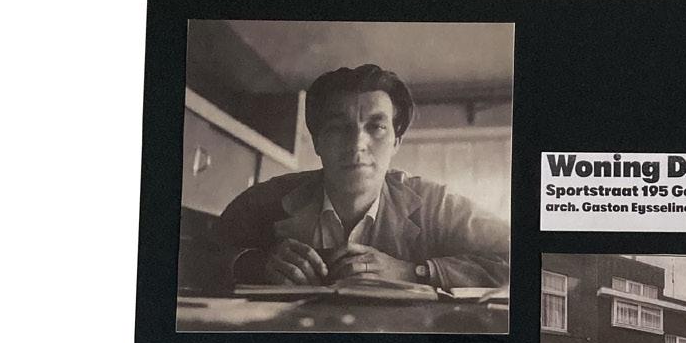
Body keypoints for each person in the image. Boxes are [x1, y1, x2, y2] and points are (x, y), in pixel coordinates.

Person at [215, 63, 508, 290]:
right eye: (338, 128)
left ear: (396, 142)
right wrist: (255, 265)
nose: (357, 144)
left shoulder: (436, 205)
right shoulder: (265, 200)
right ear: (317, 142)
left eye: (376, 127)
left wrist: (414, 271)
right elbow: (197, 252)